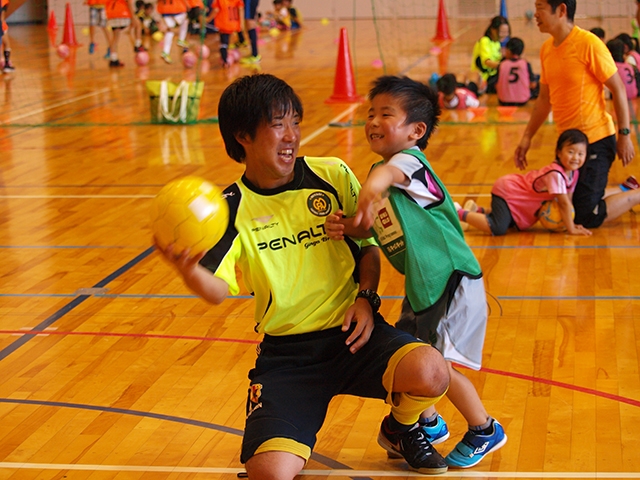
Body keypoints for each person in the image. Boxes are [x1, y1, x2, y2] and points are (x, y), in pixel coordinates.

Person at [155, 73, 451, 478]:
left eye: (295, 121)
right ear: (243, 135)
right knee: (270, 474)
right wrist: (187, 268)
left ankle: (400, 430)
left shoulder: (331, 174)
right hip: (288, 357)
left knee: (432, 370)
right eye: (278, 124)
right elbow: (216, 291)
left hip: (356, 334)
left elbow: (367, 246)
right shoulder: (229, 209)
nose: (291, 135)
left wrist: (367, 298)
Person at [324, 75, 507, 469]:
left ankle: (484, 427)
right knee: (414, 354)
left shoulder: (406, 163)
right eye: (370, 113)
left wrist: (371, 189)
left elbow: (383, 180)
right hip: (424, 286)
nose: (372, 121)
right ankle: (429, 422)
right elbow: (367, 225)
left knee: (440, 365)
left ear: (416, 131)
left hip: (451, 281)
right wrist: (346, 225)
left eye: (385, 114)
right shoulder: (383, 170)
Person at [515, 0, 638, 229]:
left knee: (585, 215)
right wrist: (526, 137)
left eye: (541, 7)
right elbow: (543, 101)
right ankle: (625, 189)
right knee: (565, 204)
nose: (536, 13)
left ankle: (637, 193)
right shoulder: (546, 50)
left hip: (597, 140)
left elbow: (618, 88)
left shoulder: (588, 43)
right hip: (569, 145)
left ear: (561, 10)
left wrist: (624, 134)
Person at [459, 129, 592, 236]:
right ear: (558, 152)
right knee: (498, 227)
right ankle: (458, 213)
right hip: (508, 191)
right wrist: (571, 230)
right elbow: (563, 204)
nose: (575, 157)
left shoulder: (574, 173)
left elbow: (568, 201)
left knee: (511, 223)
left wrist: (572, 223)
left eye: (581, 154)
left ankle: (477, 210)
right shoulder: (556, 174)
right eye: (571, 152)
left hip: (517, 198)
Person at [470, 15, 510, 93]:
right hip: (483, 78)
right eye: (502, 32)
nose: (505, 35)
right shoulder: (484, 41)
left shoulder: (497, 43)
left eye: (506, 32)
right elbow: (486, 62)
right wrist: (505, 66)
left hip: (492, 75)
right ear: (493, 30)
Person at [496, 37, 539, 106]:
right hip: (522, 101)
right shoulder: (525, 64)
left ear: (508, 51)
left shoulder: (502, 64)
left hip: (504, 101)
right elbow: (533, 84)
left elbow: (496, 83)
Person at [105, 0, 144, 67]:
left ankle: (114, 59)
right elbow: (129, 3)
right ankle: (138, 45)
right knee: (138, 24)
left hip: (111, 14)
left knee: (115, 37)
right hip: (122, 13)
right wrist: (133, 17)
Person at [206, 0, 243, 67]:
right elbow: (240, 9)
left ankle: (225, 61)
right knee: (230, 42)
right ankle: (229, 55)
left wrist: (208, 19)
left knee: (223, 44)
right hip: (234, 23)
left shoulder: (219, 1)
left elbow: (216, 10)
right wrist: (241, 24)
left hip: (224, 24)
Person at [1, 0, 15, 73]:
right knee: (6, 44)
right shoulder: (4, 1)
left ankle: (6, 64)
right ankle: (6, 64)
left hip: (2, 25)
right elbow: (2, 17)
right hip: (1, 26)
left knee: (6, 44)